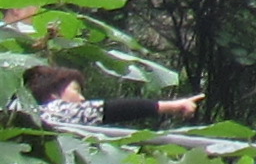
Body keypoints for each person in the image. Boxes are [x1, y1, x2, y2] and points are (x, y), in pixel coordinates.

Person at [20, 62, 199, 129]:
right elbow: (113, 110)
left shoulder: (17, 111)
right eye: (76, 90)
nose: (82, 99)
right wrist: (174, 106)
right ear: (52, 93)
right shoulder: (55, 109)